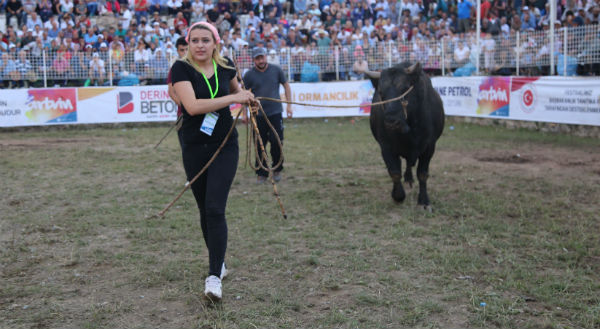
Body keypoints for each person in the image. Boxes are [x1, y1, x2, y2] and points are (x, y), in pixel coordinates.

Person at [171, 21, 254, 302]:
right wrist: (233, 97)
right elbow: (192, 107)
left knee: (215, 208)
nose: (200, 45)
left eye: (206, 40)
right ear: (189, 43)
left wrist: (247, 98)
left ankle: (214, 276)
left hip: (224, 145)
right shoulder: (181, 68)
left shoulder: (226, 65)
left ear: (215, 43)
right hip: (194, 147)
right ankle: (219, 261)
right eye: (194, 40)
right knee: (204, 209)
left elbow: (238, 90)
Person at [242, 46, 293, 184]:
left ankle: (277, 168)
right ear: (254, 60)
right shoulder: (249, 75)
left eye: (262, 57)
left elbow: (286, 85)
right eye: (257, 58)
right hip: (257, 115)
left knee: (277, 142)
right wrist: (244, 113)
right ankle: (262, 172)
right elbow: (243, 94)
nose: (261, 60)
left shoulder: (276, 70)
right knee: (260, 144)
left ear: (266, 57)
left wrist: (289, 105)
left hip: (275, 113)